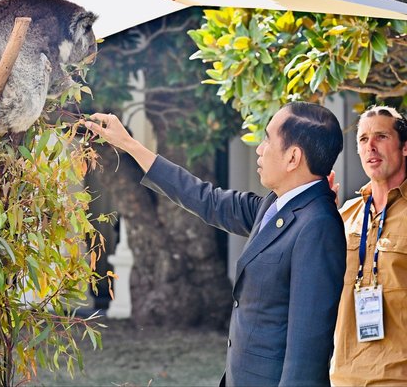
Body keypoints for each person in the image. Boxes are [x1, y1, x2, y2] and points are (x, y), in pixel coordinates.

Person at [86, 101, 346, 387]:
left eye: (268, 139)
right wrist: (130, 145)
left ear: (293, 157)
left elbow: (307, 356)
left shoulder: (317, 225)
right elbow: (205, 199)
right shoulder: (276, 205)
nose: (259, 148)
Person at [330, 105, 407, 386]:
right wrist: (317, 212)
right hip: (343, 376)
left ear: (405, 148)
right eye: (363, 139)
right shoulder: (342, 216)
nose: (370, 146)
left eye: (381, 137)